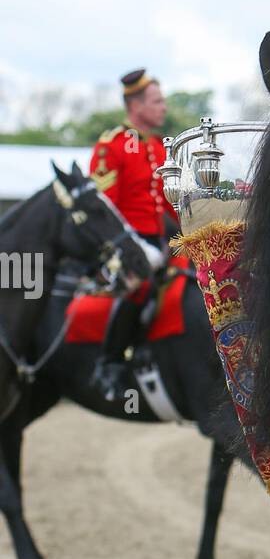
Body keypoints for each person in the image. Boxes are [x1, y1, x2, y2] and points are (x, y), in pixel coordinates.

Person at [89, 69, 173, 399]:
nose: (164, 107)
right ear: (136, 105)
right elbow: (102, 206)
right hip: (122, 244)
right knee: (144, 280)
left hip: (156, 241)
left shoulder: (156, 147)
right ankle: (109, 362)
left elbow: (169, 201)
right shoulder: (113, 145)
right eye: (157, 101)